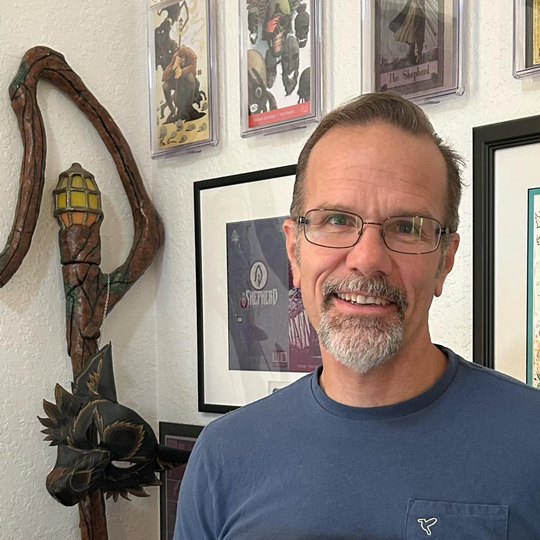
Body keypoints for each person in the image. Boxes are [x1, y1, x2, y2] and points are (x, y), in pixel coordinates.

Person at [174, 92, 540, 539]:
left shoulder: (532, 441)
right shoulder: (224, 456)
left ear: (445, 260)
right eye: (336, 220)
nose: (367, 260)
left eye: (406, 227)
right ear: (293, 249)